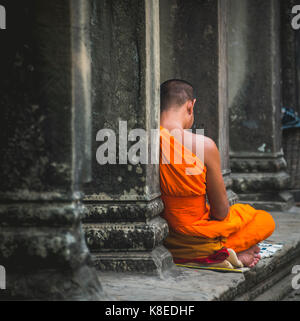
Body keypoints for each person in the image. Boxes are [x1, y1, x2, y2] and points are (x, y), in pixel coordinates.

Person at [159, 79, 276, 268]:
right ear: (191, 106)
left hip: (163, 238)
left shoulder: (145, 141)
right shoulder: (203, 146)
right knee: (263, 220)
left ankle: (216, 253)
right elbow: (221, 212)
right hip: (199, 239)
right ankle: (219, 252)